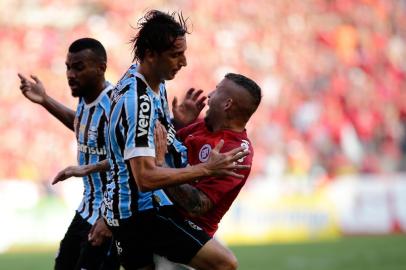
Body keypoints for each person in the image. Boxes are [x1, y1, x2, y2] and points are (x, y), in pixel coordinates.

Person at [97, 10, 247, 270]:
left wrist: (177, 124)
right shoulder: (138, 101)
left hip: (126, 213)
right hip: (143, 213)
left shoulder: (150, 80)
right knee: (225, 264)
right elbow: (145, 178)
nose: (184, 62)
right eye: (176, 55)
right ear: (151, 54)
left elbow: (140, 144)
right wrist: (206, 169)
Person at [17, 38, 119, 270]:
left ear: (101, 67)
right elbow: (82, 123)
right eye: (68, 67)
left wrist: (109, 217)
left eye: (79, 67)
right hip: (86, 210)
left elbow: (131, 162)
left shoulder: (115, 106)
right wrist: (44, 100)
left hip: (110, 215)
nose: (71, 74)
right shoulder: (86, 97)